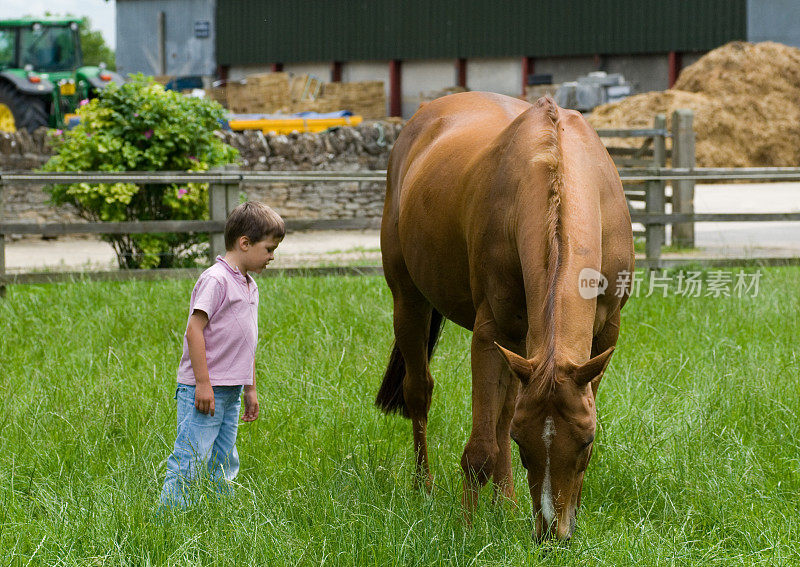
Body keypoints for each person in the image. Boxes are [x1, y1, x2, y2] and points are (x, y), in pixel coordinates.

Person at [160, 201, 285, 507]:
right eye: (269, 249)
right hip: (204, 391)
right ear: (245, 243)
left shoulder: (248, 284)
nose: (272, 257)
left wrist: (250, 387)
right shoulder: (216, 280)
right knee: (191, 456)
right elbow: (193, 330)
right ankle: (170, 517)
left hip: (230, 391)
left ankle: (219, 510)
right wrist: (202, 384)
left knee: (224, 456)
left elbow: (246, 341)